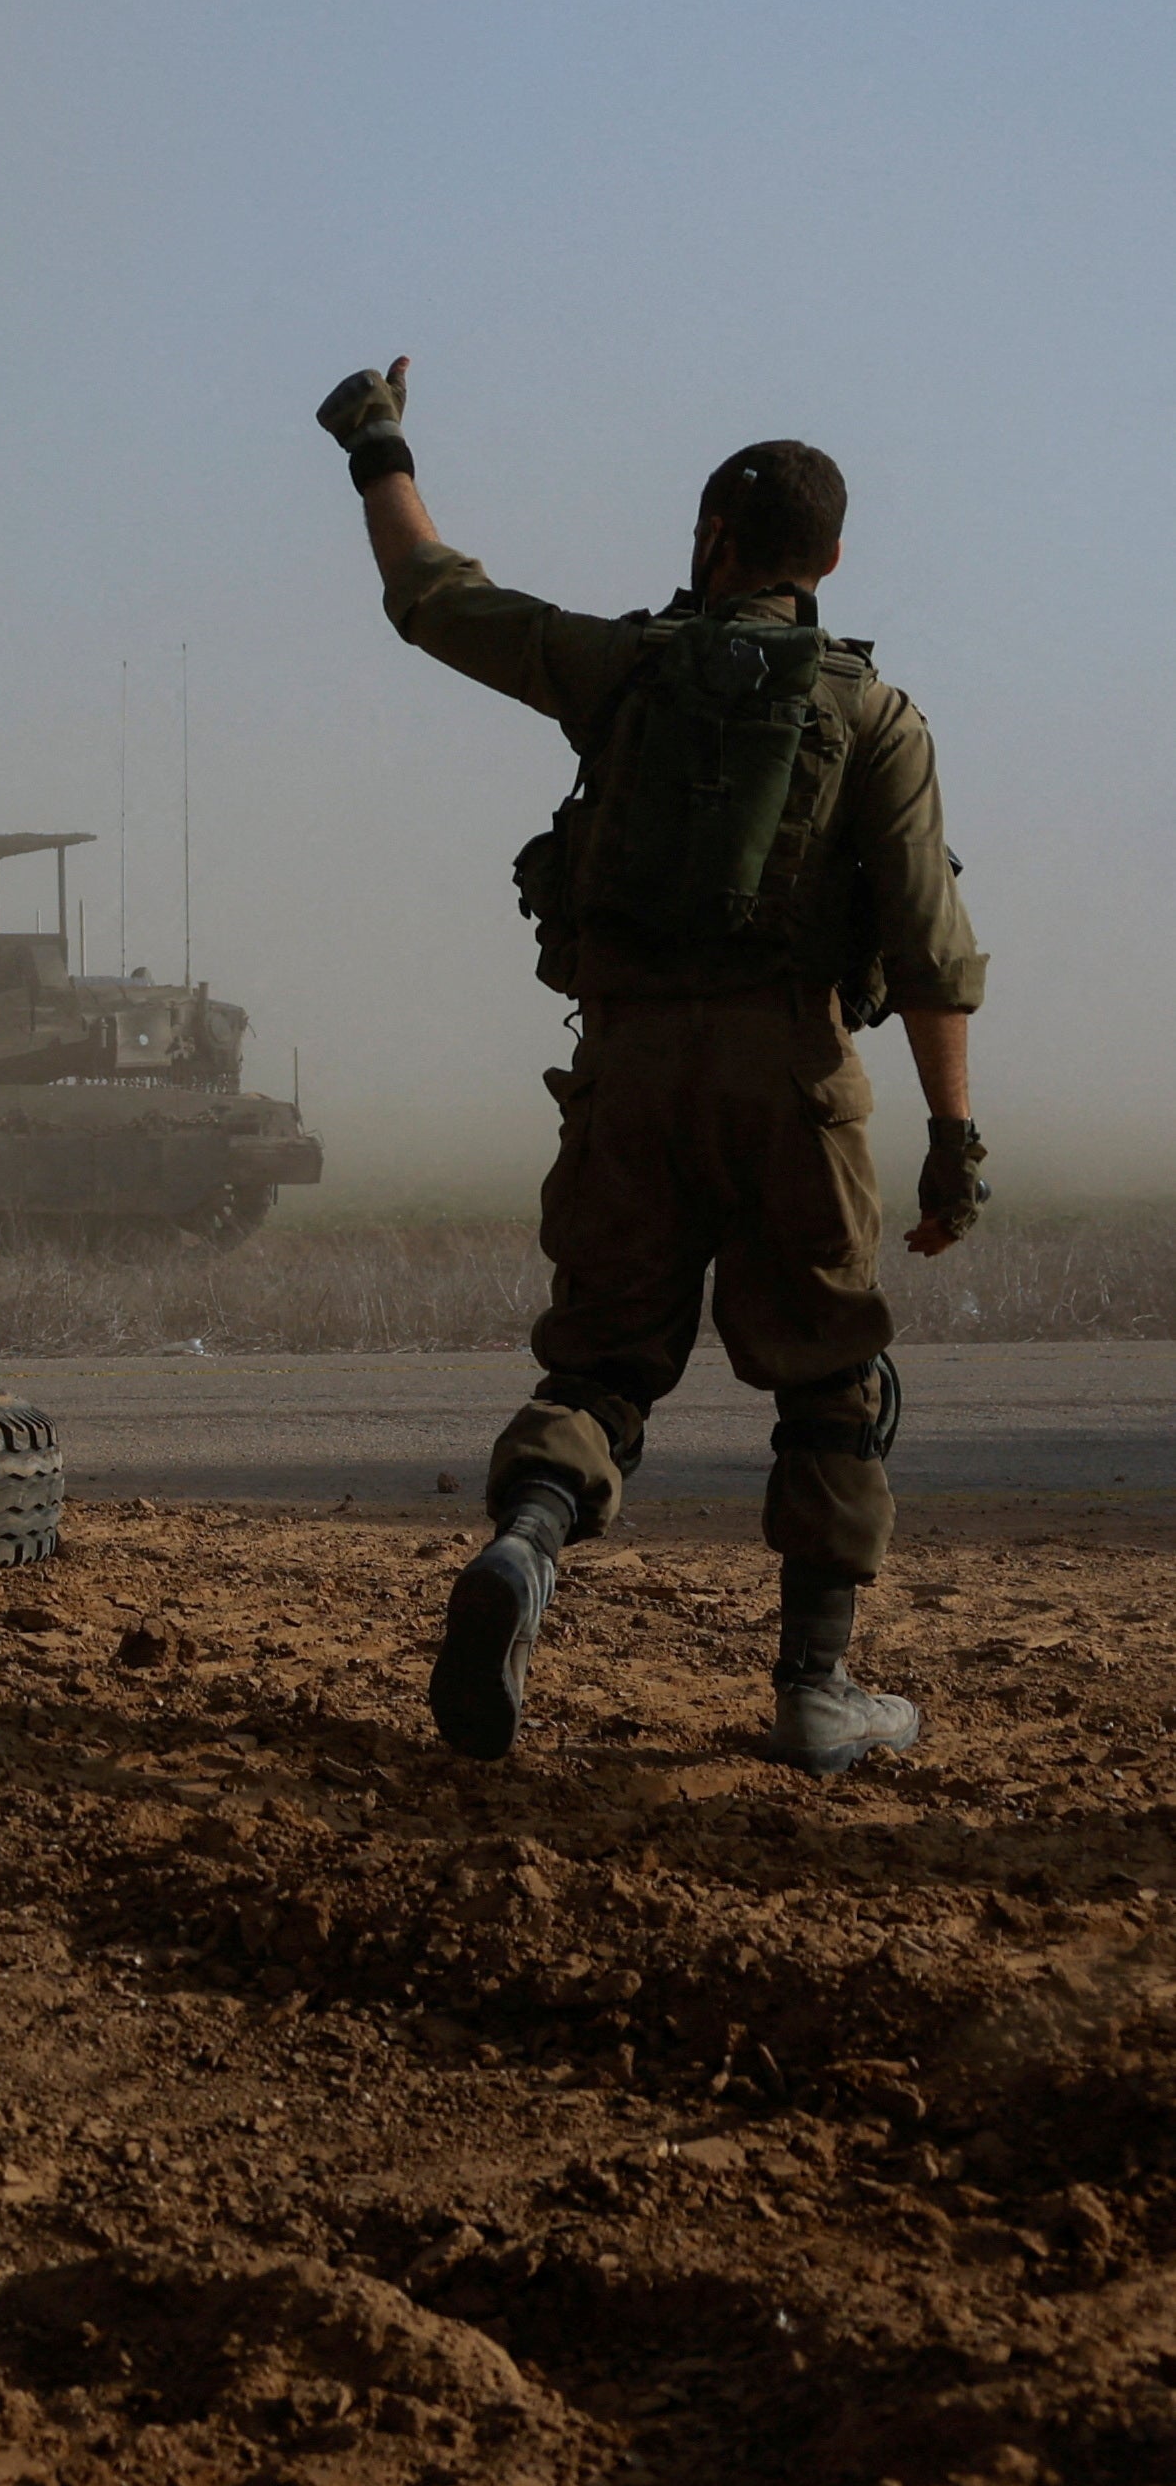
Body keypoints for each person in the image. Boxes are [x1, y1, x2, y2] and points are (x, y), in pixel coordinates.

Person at [317, 358, 987, 1777]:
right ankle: (814, 1688)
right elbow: (929, 949)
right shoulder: (873, 717)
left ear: (706, 538)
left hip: (621, 1073)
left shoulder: (612, 670)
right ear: (826, 562)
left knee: (604, 1361)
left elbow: (423, 592)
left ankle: (522, 1544)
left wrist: (377, 436)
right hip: (790, 1081)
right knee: (827, 1380)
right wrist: (952, 1137)